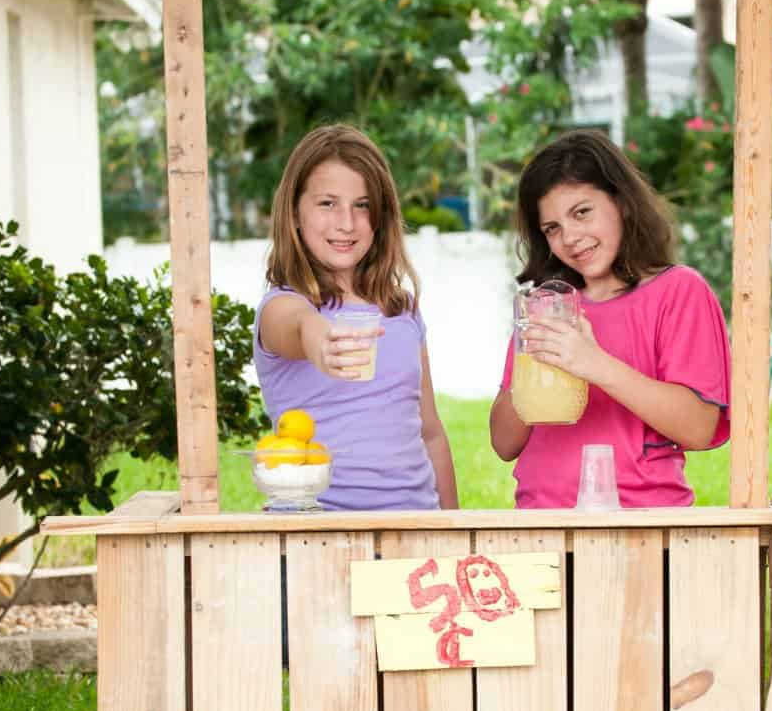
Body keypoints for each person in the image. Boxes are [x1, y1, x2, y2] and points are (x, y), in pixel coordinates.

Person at [490, 129, 730, 508]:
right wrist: (534, 370)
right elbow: (504, 443)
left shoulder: (678, 291)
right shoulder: (548, 307)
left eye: (582, 212)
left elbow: (699, 428)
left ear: (622, 203)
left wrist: (593, 363)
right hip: (538, 524)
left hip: (640, 528)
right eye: (552, 228)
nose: (569, 238)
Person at [254, 123, 458, 511]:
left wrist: (455, 532)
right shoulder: (282, 305)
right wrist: (319, 339)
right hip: (316, 537)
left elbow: (430, 433)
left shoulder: (402, 310)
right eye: (327, 203)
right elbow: (297, 325)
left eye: (362, 205)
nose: (346, 223)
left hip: (413, 531)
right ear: (294, 211)